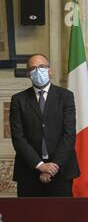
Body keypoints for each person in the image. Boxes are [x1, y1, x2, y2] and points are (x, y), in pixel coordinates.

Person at [9, 54, 80, 197]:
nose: (38, 71)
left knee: (60, 217)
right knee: (29, 217)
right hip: (29, 171)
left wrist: (51, 168)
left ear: (50, 70)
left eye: (42, 67)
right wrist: (40, 165)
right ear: (28, 73)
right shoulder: (18, 100)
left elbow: (69, 135)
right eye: (33, 68)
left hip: (60, 170)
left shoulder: (65, 96)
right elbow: (18, 138)